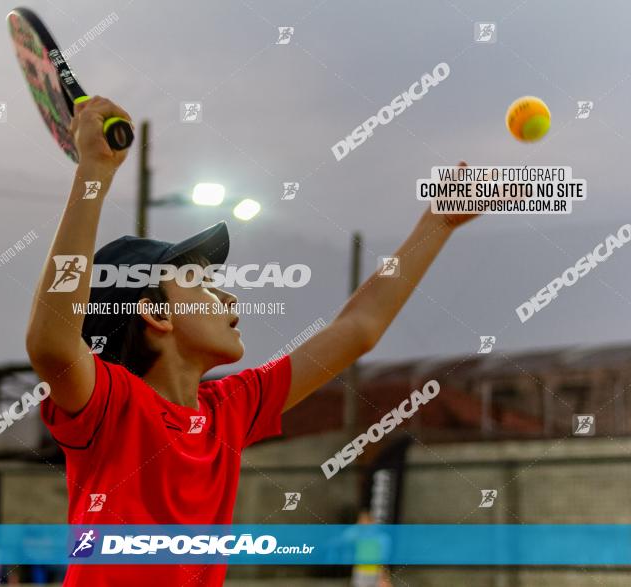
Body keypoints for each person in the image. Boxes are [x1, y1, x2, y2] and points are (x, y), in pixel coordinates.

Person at [25, 96, 479, 586]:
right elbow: (52, 341)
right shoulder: (111, 402)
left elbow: (357, 330)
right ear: (155, 313)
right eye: (200, 281)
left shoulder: (228, 409)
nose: (226, 294)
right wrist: (94, 173)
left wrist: (436, 224)